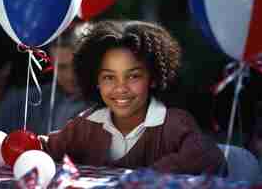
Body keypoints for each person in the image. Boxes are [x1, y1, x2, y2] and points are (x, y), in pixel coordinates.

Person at [42, 20, 225, 175]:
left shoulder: (174, 124)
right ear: (96, 80)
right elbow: (47, 147)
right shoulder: (87, 124)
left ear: (152, 78)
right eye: (109, 77)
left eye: (133, 76)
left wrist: (143, 178)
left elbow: (208, 156)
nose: (121, 88)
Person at [30, 22, 91, 134]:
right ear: (52, 64)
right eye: (62, 67)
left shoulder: (106, 102)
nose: (71, 75)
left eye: (77, 65)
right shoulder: (35, 101)